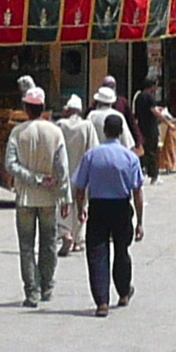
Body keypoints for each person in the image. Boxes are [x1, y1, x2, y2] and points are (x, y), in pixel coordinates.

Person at [73, 110, 147, 317]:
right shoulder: (130, 157)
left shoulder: (91, 155)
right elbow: (137, 191)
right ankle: (123, 292)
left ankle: (102, 301)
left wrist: (81, 209)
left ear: (105, 131)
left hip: (98, 207)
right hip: (121, 207)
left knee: (97, 253)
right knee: (122, 250)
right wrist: (140, 221)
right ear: (121, 131)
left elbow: (80, 187)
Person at [6, 90, 73, 305]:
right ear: (43, 108)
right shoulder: (54, 132)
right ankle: (47, 287)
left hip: (25, 197)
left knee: (26, 247)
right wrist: (65, 196)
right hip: (49, 197)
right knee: (49, 243)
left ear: (26, 108)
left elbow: (10, 164)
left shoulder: (18, 132)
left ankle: (31, 291)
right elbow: (62, 167)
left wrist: (33, 178)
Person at [55, 94, 95, 257]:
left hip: (63, 171)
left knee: (63, 202)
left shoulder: (59, 125)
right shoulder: (87, 126)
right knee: (81, 203)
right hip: (81, 171)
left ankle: (65, 233)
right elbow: (93, 148)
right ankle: (78, 239)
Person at [131, 82, 169, 176]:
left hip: (141, 127)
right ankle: (153, 174)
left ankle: (139, 171)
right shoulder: (150, 97)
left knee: (143, 151)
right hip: (151, 128)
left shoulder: (139, 96)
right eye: (156, 86)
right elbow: (154, 112)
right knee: (152, 151)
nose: (156, 88)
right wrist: (168, 122)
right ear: (152, 86)